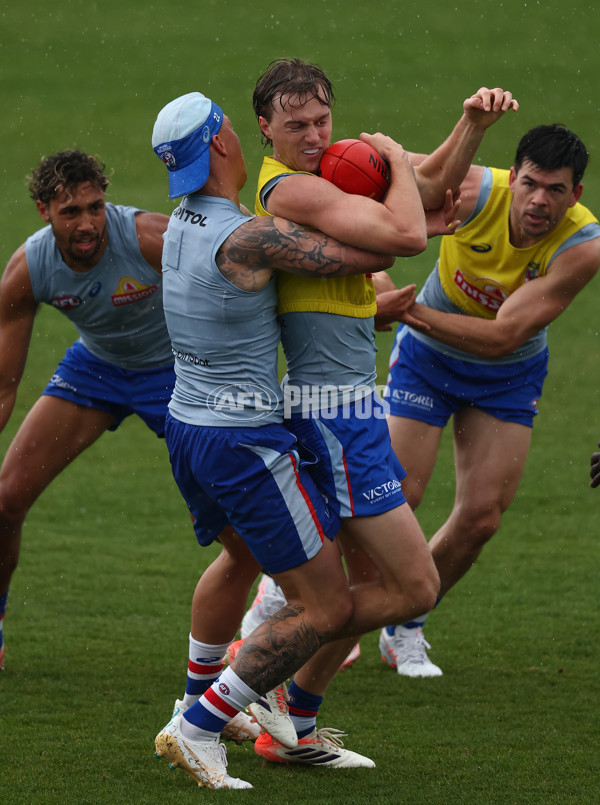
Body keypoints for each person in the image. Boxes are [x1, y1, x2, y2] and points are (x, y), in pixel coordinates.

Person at [150, 91, 438, 790]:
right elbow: (394, 243)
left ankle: (205, 699)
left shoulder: (178, 224)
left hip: (186, 426)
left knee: (243, 558)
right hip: (242, 440)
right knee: (328, 604)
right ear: (224, 142)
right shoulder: (250, 237)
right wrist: (398, 174)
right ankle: (203, 721)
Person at [240, 57, 518, 764]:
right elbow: (407, 233)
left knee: (361, 582)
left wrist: (471, 126)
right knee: (410, 586)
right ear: (264, 127)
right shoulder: (289, 188)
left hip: (352, 404)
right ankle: (239, 679)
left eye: (322, 119)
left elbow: (429, 190)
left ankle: (292, 723)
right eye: (296, 125)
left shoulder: (331, 167)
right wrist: (394, 159)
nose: (314, 135)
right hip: (330, 411)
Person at [380, 123, 600, 677]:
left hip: (506, 374)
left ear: (575, 193)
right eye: (530, 184)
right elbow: (393, 170)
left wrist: (407, 310)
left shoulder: (583, 247)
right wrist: (377, 149)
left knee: (481, 519)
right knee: (396, 495)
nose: (539, 200)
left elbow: (504, 337)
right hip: (428, 361)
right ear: (513, 177)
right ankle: (299, 599)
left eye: (555, 190)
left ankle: (405, 624)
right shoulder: (475, 189)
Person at [0, 150, 175, 674]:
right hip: (96, 370)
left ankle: (278, 611)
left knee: (236, 517)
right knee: (5, 501)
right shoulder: (29, 268)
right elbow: (3, 387)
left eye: (95, 208)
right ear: (43, 211)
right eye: (70, 212)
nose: (86, 224)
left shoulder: (150, 238)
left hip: (176, 373)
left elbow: (241, 272)